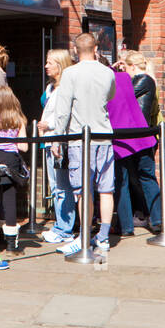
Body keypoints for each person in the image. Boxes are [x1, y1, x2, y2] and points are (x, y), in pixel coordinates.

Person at [48, 33, 117, 255]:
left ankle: (84, 236)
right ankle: (104, 237)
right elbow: (110, 96)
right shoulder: (108, 72)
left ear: (75, 50)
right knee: (106, 190)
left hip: (79, 138)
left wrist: (57, 138)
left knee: (82, 190)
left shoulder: (70, 73)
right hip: (104, 135)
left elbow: (63, 109)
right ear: (96, 48)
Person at [109, 62, 162, 236]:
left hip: (121, 139)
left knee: (121, 183)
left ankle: (126, 227)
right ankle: (158, 221)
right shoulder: (124, 78)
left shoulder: (104, 82)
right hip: (142, 136)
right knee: (148, 178)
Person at [0, 84, 29, 253]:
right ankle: (11, 245)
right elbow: (24, 147)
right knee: (10, 202)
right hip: (11, 161)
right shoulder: (18, 119)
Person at [39, 48, 76, 244]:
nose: (46, 66)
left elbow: (66, 113)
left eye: (50, 62)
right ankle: (60, 225)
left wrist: (50, 125)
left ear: (60, 65)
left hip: (58, 141)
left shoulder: (64, 88)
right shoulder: (50, 87)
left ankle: (65, 228)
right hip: (47, 141)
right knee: (55, 186)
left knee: (62, 186)